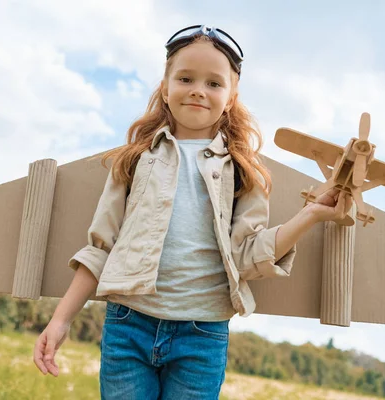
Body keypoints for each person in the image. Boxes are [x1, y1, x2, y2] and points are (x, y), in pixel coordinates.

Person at [33, 25, 352, 399]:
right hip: (128, 326)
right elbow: (100, 248)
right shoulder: (134, 161)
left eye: (214, 83)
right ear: (166, 89)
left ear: (231, 97)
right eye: (185, 78)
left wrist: (311, 214)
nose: (199, 89)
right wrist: (60, 319)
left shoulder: (245, 173)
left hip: (202, 335)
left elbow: (247, 257)